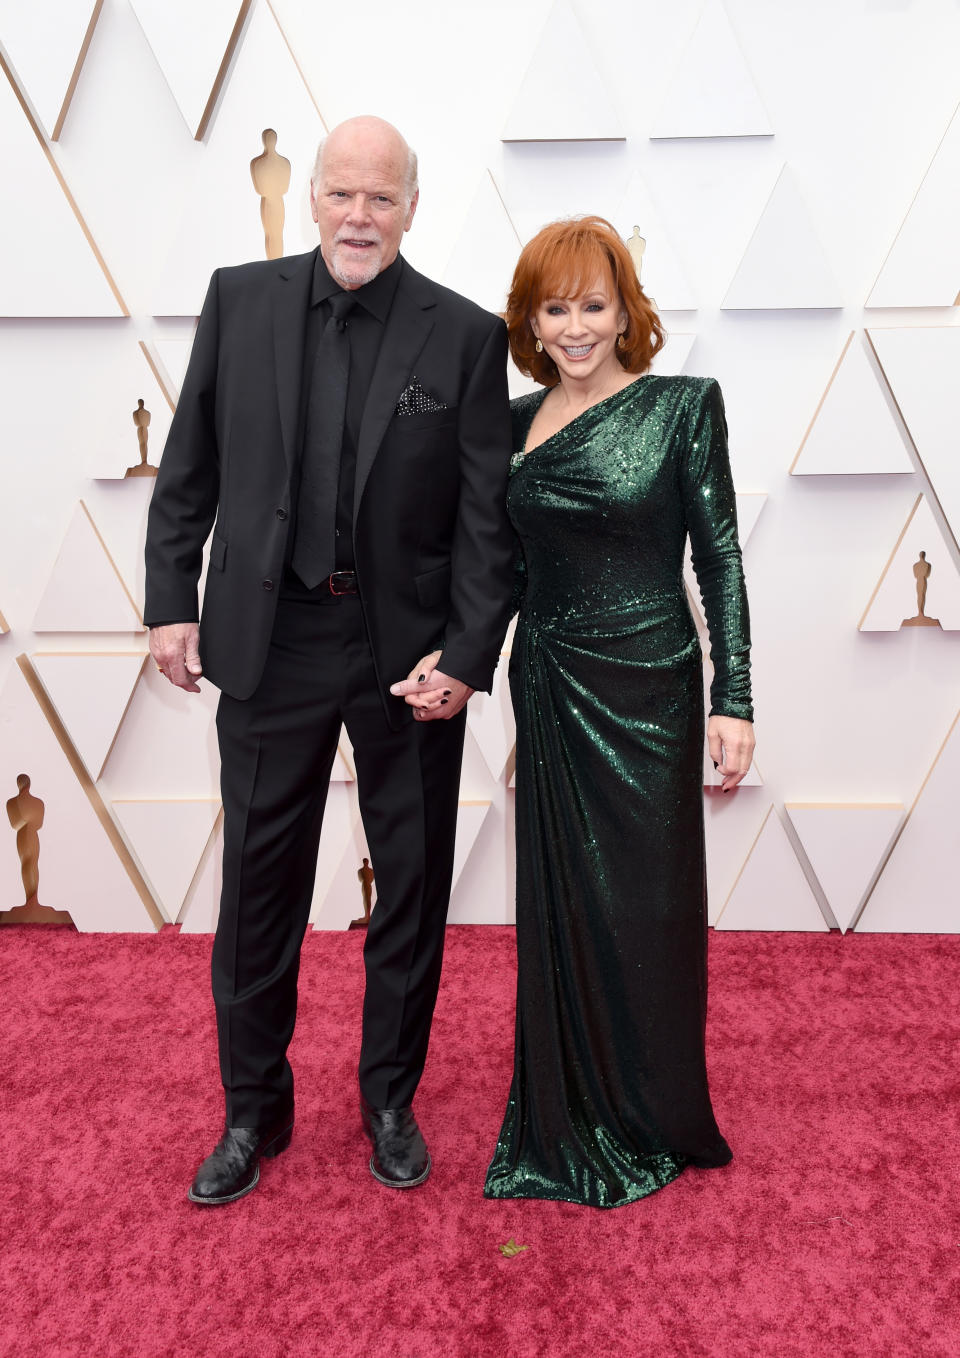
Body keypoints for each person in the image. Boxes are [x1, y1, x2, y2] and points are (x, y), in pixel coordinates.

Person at [144, 116, 514, 1205]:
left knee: (411, 886)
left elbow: (489, 522)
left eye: (382, 198)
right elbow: (189, 467)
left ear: (412, 206)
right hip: (271, 639)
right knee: (260, 889)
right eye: (343, 194)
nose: (361, 215)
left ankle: (389, 1097)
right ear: (312, 197)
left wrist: (467, 652)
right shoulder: (240, 301)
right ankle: (252, 1108)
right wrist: (172, 602)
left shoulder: (463, 334)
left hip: (407, 655)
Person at [478, 216, 755, 1207]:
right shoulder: (509, 424)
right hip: (550, 680)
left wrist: (737, 697)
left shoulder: (684, 407)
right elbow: (501, 570)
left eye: (594, 304)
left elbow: (716, 555)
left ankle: (657, 1108)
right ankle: (568, 1107)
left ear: (626, 310)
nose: (576, 325)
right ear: (534, 321)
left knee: (652, 906)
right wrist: (456, 657)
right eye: (557, 308)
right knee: (564, 902)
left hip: (653, 688)